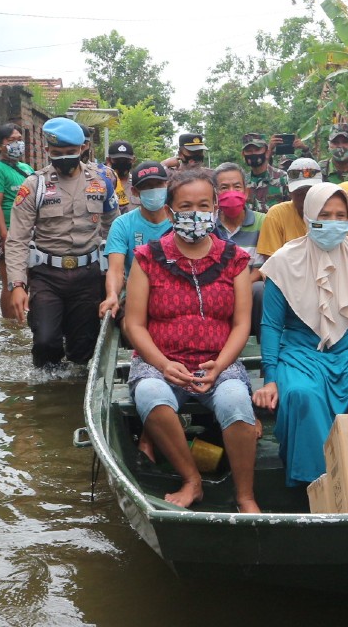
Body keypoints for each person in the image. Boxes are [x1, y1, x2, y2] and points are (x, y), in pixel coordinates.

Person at [252, 183, 348, 486]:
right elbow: (272, 325)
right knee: (302, 394)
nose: (334, 222)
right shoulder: (284, 260)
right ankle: (319, 484)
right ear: (309, 215)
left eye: (341, 215)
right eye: (325, 215)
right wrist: (269, 378)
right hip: (302, 349)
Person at [123, 168, 260, 511]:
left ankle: (245, 496)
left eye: (203, 205)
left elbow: (242, 323)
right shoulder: (148, 258)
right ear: (170, 212)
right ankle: (192, 480)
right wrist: (164, 363)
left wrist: (221, 365)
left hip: (217, 361)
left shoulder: (234, 260)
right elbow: (134, 325)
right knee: (151, 394)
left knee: (236, 403)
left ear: (215, 207)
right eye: (186, 206)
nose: (195, 214)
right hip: (161, 361)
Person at [6, 117, 119, 367]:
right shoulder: (34, 185)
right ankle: (45, 398)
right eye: (57, 153)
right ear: (47, 151)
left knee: (84, 350)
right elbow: (17, 239)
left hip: (88, 276)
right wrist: (17, 284)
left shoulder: (102, 183)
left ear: (83, 149)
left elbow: (115, 230)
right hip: (47, 276)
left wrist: (116, 280)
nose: (64, 158)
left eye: (71, 152)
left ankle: (71, 396)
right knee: (46, 342)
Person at [98, 161, 172, 321]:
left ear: (167, 185)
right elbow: (116, 270)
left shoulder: (179, 222)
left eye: (158, 184)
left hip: (175, 294)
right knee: (129, 323)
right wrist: (112, 295)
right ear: (135, 191)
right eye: (147, 186)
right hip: (135, 295)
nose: (153, 190)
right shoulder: (123, 224)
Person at [0, 122, 34, 319]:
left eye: (19, 140)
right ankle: (10, 324)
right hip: (7, 234)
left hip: (28, 233)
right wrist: (5, 236)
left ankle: (25, 317)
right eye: (11, 140)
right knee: (11, 282)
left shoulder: (26, 168)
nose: (17, 144)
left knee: (27, 280)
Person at [213, 162, 267, 339]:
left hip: (249, 287)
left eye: (236, 186)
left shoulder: (264, 222)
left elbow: (261, 269)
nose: (231, 192)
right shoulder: (208, 225)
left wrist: (236, 289)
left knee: (261, 290)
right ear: (215, 194)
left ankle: (263, 350)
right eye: (224, 187)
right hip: (214, 291)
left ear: (246, 192)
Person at [256, 157, 323, 258]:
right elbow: (271, 263)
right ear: (289, 192)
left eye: (310, 192)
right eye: (300, 194)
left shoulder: (334, 214)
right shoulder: (277, 215)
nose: (306, 199)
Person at [241, 132, 290, 213]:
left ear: (267, 152)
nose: (253, 154)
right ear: (243, 154)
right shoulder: (242, 183)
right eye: (249, 151)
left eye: (257, 150)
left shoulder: (283, 178)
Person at [106, 140, 135, 210]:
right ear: (108, 160)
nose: (122, 163)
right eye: (117, 160)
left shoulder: (138, 184)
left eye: (126, 160)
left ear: (133, 160)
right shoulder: (101, 184)